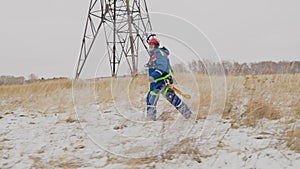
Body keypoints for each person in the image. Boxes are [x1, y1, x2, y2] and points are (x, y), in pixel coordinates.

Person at [146, 37, 192, 121]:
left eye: (151, 45)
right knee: (153, 100)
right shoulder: (154, 55)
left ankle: (188, 115)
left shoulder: (159, 53)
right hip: (156, 83)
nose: (150, 46)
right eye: (149, 45)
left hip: (161, 81)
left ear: (155, 45)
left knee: (170, 99)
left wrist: (154, 76)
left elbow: (162, 67)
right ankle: (150, 120)